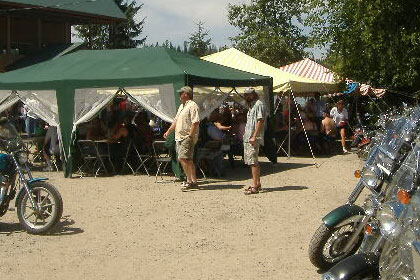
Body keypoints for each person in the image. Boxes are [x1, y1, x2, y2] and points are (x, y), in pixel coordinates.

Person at [163, 86, 200, 190]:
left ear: (186, 94)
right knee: (188, 159)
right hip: (180, 137)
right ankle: (194, 181)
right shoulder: (182, 106)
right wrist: (168, 131)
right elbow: (175, 121)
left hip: (187, 136)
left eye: (181, 93)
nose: (179, 95)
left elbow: (195, 121)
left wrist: (191, 136)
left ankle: (189, 181)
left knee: (182, 158)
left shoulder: (192, 105)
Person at [243, 88, 265, 195]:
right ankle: (257, 183)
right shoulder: (252, 105)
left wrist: (254, 136)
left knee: (253, 162)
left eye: (249, 94)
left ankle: (255, 185)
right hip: (248, 137)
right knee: (252, 161)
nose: (247, 96)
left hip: (253, 137)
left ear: (253, 94)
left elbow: (260, 121)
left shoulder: (258, 104)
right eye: (246, 95)